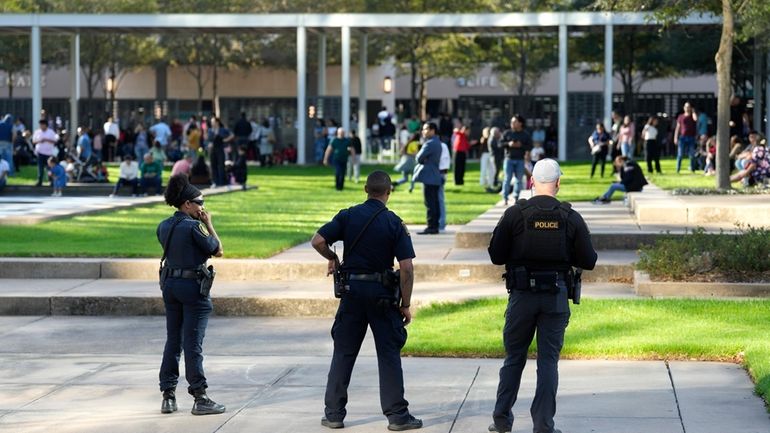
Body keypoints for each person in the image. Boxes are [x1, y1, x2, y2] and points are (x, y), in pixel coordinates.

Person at [487, 158, 597, 433]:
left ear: (532, 182)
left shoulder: (515, 214)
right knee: (548, 361)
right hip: (556, 296)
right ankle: (543, 426)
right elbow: (589, 260)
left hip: (522, 296)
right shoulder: (570, 216)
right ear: (558, 183)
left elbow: (496, 255)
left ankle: (502, 421)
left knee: (514, 358)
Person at [310, 170, 422, 432]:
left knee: (344, 352)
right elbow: (406, 267)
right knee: (388, 354)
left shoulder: (348, 215)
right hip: (382, 296)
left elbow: (318, 240)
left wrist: (333, 258)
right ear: (389, 192)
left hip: (351, 293)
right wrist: (405, 303)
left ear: (365, 190)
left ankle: (334, 414)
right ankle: (397, 416)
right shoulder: (394, 222)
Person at [157, 174, 225, 416]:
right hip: (192, 289)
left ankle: (168, 395)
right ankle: (200, 396)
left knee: (173, 341)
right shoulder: (195, 226)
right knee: (192, 343)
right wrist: (209, 224)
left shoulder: (164, 225)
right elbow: (218, 250)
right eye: (199, 203)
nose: (202, 208)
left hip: (170, 286)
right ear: (187, 204)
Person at [413, 122, 442, 235]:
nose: (423, 132)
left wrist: (423, 159)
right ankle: (435, 226)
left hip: (429, 177)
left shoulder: (429, 143)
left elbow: (418, 158)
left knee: (430, 203)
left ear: (432, 130)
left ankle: (431, 226)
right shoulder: (438, 142)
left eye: (425, 129)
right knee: (435, 202)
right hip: (435, 176)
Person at [502, 115, 532, 205]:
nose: (512, 124)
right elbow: (500, 144)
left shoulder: (525, 135)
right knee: (507, 179)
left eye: (514, 122)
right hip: (508, 159)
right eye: (512, 122)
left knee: (518, 180)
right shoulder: (507, 133)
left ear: (520, 123)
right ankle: (505, 198)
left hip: (520, 160)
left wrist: (520, 145)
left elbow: (530, 146)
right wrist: (509, 144)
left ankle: (516, 198)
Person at [207, 117, 234, 187]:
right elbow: (208, 139)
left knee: (221, 165)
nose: (212, 123)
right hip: (213, 149)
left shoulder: (223, 129)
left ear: (217, 122)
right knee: (213, 165)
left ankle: (221, 181)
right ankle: (215, 181)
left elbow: (232, 135)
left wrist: (225, 140)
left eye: (213, 122)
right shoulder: (210, 130)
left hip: (220, 149)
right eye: (211, 122)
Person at [32, 118, 59, 187]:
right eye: (40, 125)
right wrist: (40, 141)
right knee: (40, 167)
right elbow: (34, 141)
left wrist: (47, 140)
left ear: (46, 125)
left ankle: (51, 181)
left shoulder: (51, 132)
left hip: (49, 153)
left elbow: (55, 141)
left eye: (42, 125)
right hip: (40, 152)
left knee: (49, 168)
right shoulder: (37, 132)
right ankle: (40, 181)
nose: (41, 126)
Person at [674, 102, 698, 173]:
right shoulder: (680, 117)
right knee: (680, 154)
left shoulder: (692, 116)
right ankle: (677, 169)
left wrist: (693, 112)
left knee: (692, 155)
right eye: (686, 106)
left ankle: (692, 169)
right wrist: (675, 137)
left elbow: (695, 119)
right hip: (682, 138)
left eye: (688, 107)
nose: (687, 108)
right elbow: (677, 128)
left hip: (691, 137)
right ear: (684, 108)